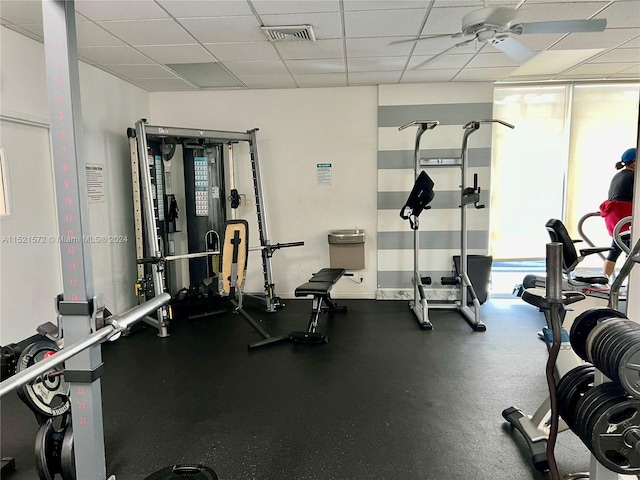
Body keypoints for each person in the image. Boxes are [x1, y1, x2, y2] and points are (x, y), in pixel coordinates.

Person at [599, 147, 636, 279]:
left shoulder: (619, 175)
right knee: (632, 252)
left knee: (615, 250)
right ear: (635, 161)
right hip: (625, 218)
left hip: (614, 219)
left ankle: (605, 279)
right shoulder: (634, 177)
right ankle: (630, 284)